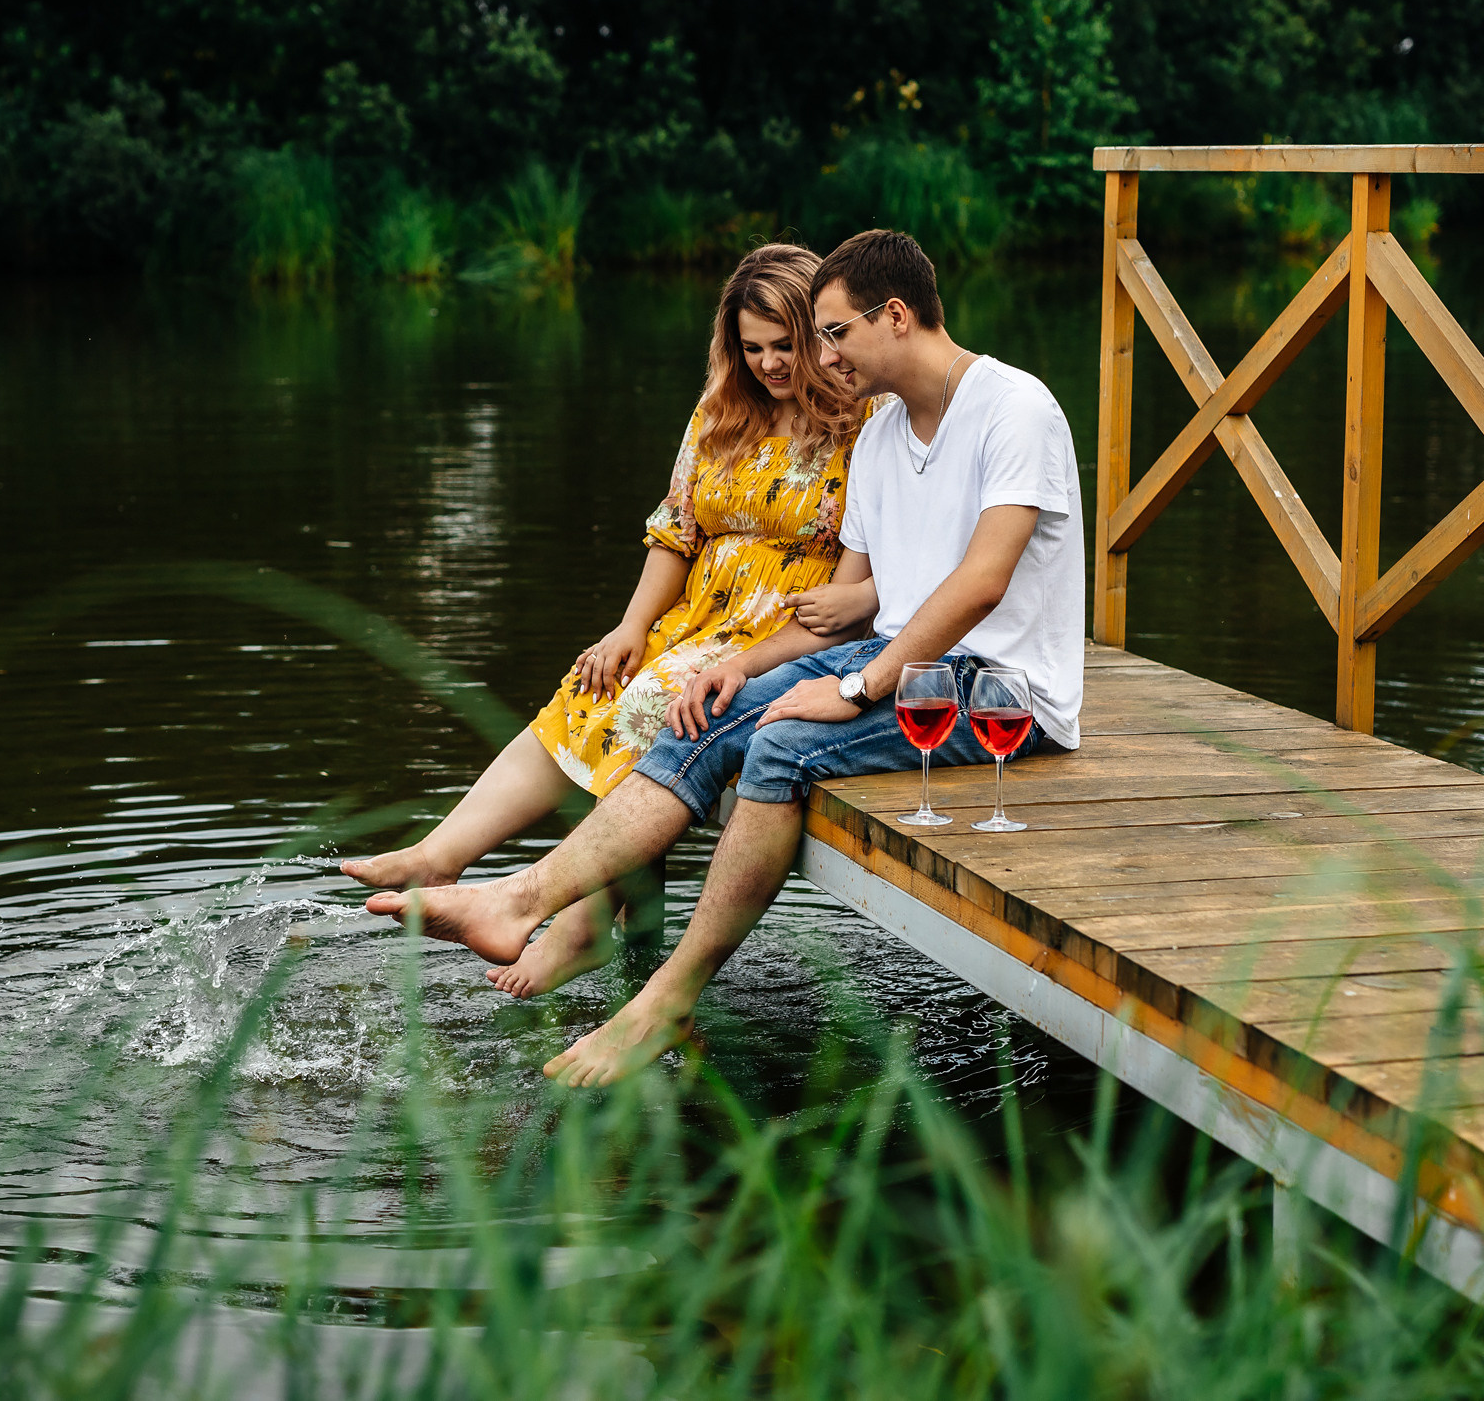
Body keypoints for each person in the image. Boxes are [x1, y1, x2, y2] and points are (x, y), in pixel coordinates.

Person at [367, 229, 1086, 1083]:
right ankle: (519, 899)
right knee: (707, 714)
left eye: (833, 332)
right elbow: (854, 599)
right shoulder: (884, 435)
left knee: (780, 746)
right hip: (896, 659)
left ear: (895, 316)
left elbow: (981, 582)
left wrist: (857, 687)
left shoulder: (1014, 408)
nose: (822, 354)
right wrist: (746, 666)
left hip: (999, 691)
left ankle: (668, 998)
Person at [341, 244, 878, 996]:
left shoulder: (864, 419)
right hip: (699, 616)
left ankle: (584, 924)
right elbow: (675, 534)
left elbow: (880, 564)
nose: (768, 364)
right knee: (596, 680)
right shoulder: (723, 410)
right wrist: (629, 629)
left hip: (787, 630)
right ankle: (442, 855)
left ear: (819, 333)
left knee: (656, 701)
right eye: (752, 348)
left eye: (784, 344)